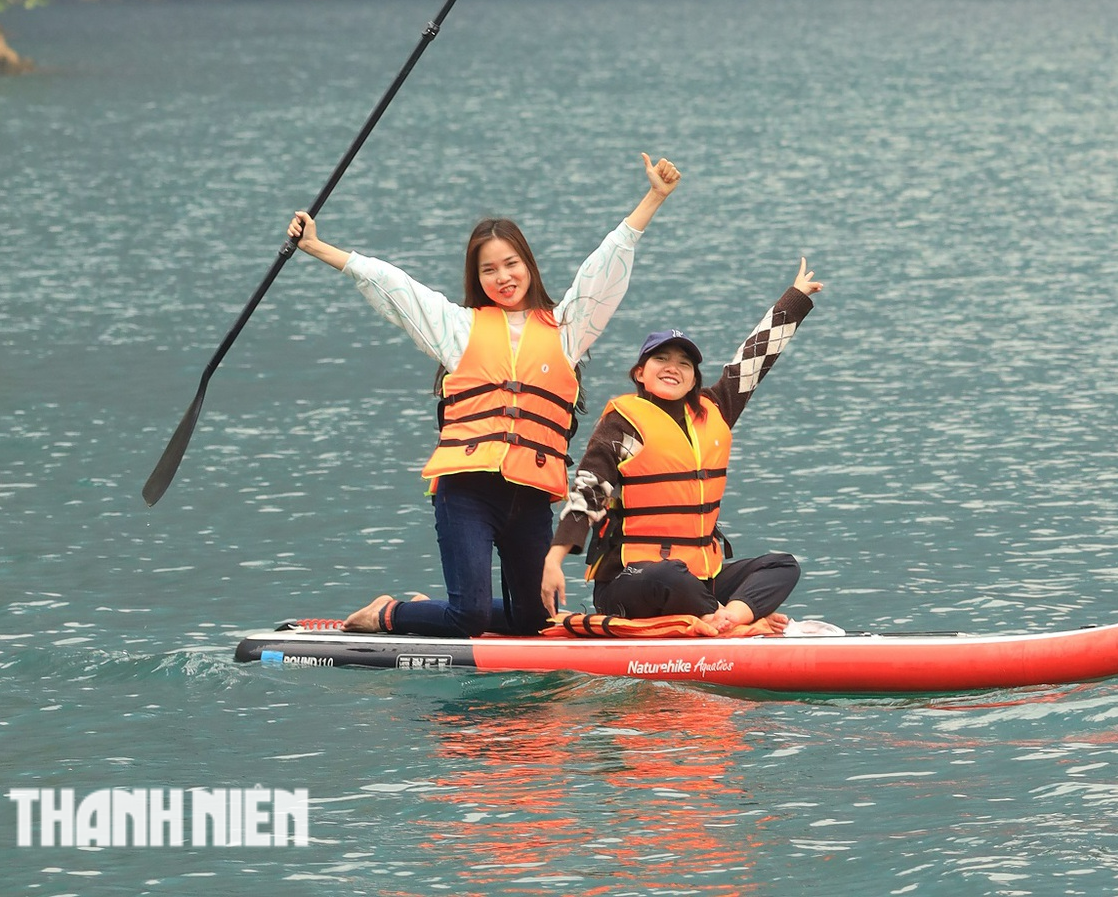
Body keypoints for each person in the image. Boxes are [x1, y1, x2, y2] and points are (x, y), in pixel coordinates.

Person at [287, 153, 682, 637]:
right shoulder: (459, 328)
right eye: (490, 269)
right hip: (468, 492)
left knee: (538, 624)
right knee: (469, 619)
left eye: (511, 264)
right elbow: (393, 286)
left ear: (529, 266)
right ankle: (387, 614)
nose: (503, 277)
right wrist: (317, 246)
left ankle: (443, 605)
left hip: (531, 495)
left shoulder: (565, 329)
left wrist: (654, 197)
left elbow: (607, 267)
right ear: (478, 278)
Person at [543, 255, 822, 635]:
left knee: (782, 565)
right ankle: (734, 619)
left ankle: (731, 616)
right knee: (668, 575)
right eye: (661, 359)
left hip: (702, 578)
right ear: (640, 373)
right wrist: (555, 559)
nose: (673, 367)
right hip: (633, 581)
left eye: (684, 363)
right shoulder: (621, 424)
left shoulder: (715, 409)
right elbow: (587, 495)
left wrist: (795, 298)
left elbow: (753, 361)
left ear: (693, 380)